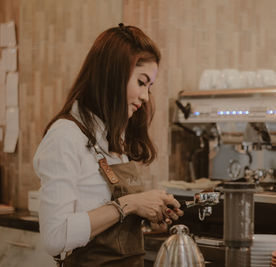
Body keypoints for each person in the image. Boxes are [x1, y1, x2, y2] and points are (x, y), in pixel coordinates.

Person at [33, 23, 183, 267]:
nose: (145, 97)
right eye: (141, 82)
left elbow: (108, 222)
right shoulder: (65, 137)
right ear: (114, 74)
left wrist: (145, 215)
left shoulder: (112, 138)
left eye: (150, 87)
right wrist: (132, 203)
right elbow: (55, 237)